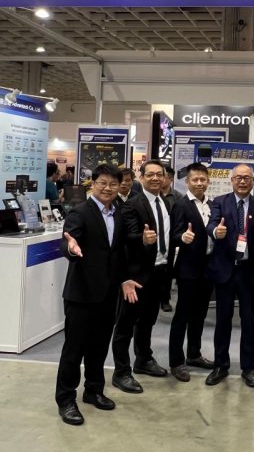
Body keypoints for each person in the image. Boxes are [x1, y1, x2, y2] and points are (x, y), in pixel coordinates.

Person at [54, 164, 138, 426]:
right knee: (74, 349)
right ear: (93, 184)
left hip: (108, 294)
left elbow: (118, 253)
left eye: (113, 184)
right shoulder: (80, 212)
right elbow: (68, 241)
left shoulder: (119, 214)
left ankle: (93, 390)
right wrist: (71, 248)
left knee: (99, 347)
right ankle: (66, 400)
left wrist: (124, 279)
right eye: (102, 183)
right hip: (82, 293)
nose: (108, 188)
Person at [205, 163, 254, 388]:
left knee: (249, 322)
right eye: (238, 178)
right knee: (222, 320)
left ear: (253, 181)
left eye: (247, 178)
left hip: (248, 272)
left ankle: (248, 367)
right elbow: (211, 224)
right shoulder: (219, 202)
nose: (242, 181)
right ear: (232, 180)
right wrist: (216, 231)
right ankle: (220, 365)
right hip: (225, 271)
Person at [111, 160, 170, 395]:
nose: (155, 178)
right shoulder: (132, 204)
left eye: (159, 174)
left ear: (165, 178)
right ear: (141, 177)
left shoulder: (164, 202)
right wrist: (142, 239)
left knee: (148, 320)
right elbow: (126, 237)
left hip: (158, 271)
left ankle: (143, 359)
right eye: (150, 174)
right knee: (126, 324)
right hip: (135, 276)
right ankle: (121, 372)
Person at [168, 163, 215, 381]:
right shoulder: (180, 205)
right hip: (188, 269)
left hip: (208, 269)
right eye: (195, 179)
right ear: (187, 182)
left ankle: (194, 354)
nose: (199, 183)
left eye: (202, 179)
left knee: (200, 315)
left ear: (208, 181)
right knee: (183, 315)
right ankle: (176, 361)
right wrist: (182, 238)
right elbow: (174, 234)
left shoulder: (212, 205)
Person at [159, 164, 183, 312]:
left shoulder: (178, 197)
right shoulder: (152, 195)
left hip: (171, 239)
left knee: (167, 271)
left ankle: (165, 300)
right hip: (153, 238)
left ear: (171, 179)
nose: (161, 180)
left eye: (165, 177)